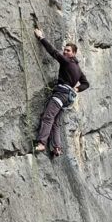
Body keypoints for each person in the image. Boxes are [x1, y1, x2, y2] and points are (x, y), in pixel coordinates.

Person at [33, 28, 89, 157]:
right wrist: (76, 89)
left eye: (68, 50)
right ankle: (57, 148)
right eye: (65, 50)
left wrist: (41, 37)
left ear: (73, 53)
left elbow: (53, 52)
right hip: (67, 98)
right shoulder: (77, 68)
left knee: (48, 117)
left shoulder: (67, 61)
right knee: (56, 122)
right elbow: (86, 83)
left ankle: (41, 143)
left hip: (60, 94)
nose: (65, 52)